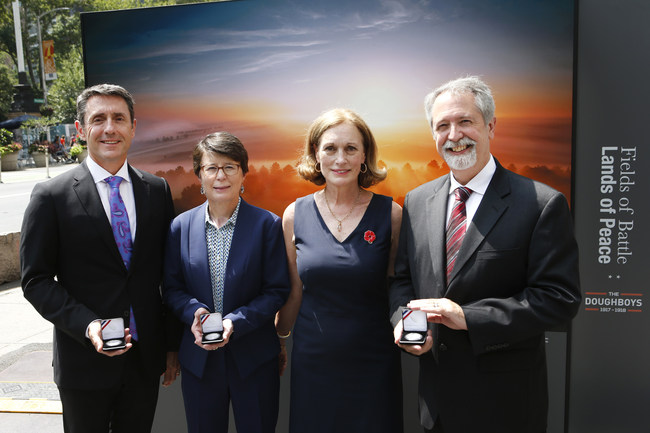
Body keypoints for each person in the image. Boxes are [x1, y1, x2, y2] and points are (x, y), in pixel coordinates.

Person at [388, 76, 581, 433]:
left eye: (465, 122)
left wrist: (469, 317)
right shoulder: (417, 201)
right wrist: (404, 320)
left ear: (490, 126)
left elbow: (559, 299)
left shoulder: (541, 204)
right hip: (437, 405)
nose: (454, 134)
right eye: (442, 125)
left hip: (504, 407)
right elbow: (403, 280)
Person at [20, 83, 180, 433]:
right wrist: (88, 325)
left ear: (133, 127)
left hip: (143, 361)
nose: (110, 128)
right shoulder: (51, 196)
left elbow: (169, 276)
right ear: (81, 129)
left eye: (119, 118)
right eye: (99, 119)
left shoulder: (156, 190)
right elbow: (35, 280)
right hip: (83, 363)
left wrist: (171, 345)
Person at [277, 108, 404, 432]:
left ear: (365, 156)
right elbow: (294, 291)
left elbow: (399, 289)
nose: (340, 158)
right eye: (330, 148)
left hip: (374, 364)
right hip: (313, 364)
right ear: (316, 155)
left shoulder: (391, 215)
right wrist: (277, 339)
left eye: (350, 148)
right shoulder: (294, 214)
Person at [162, 132, 290, 433]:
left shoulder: (267, 225)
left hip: (254, 359)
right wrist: (194, 311)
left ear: (243, 173)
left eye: (230, 166)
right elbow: (172, 288)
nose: (221, 176)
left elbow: (276, 291)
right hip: (200, 361)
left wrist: (235, 322)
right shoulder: (180, 227)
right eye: (211, 167)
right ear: (199, 176)